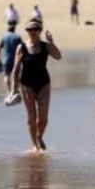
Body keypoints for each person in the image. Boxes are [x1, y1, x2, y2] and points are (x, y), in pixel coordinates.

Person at [10, 18, 61, 153]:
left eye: (35, 29)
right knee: (31, 116)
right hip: (26, 84)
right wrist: (14, 89)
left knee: (43, 117)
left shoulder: (46, 46)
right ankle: (34, 145)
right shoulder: (21, 47)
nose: (32, 32)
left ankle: (39, 136)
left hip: (44, 83)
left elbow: (58, 56)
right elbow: (16, 69)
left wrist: (52, 43)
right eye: (29, 30)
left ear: (39, 31)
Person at [0, 20, 22, 90]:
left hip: (5, 59)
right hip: (15, 59)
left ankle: (9, 90)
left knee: (6, 75)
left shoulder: (4, 37)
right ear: (14, 29)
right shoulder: (17, 37)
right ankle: (15, 89)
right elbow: (22, 48)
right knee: (16, 75)